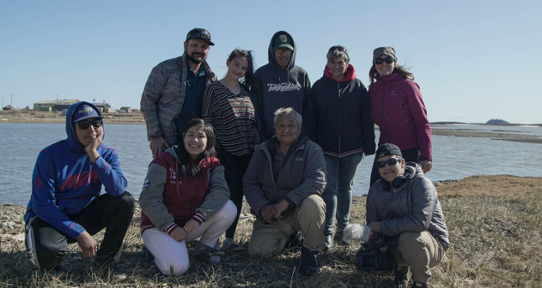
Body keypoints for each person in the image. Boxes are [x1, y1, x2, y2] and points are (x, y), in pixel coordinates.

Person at [24, 101, 135, 282]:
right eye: (84, 125)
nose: (92, 129)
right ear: (71, 128)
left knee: (125, 200)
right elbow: (42, 205)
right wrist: (80, 233)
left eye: (96, 123)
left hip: (82, 214)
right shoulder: (49, 156)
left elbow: (118, 189)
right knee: (46, 254)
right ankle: (53, 266)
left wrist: (94, 155)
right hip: (49, 219)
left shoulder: (108, 154)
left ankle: (105, 262)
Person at [139, 118, 236, 276]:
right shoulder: (163, 160)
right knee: (176, 269)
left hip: (189, 225)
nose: (195, 140)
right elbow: (148, 199)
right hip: (160, 226)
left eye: (201, 136)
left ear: (209, 140)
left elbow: (221, 192)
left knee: (229, 208)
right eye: (191, 135)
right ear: (183, 136)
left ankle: (204, 248)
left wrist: (199, 216)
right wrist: (170, 227)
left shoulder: (213, 163)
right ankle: (155, 251)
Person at [305, 45, 375, 249]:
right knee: (330, 189)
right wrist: (312, 144)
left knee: (346, 188)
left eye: (340, 62)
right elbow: (311, 118)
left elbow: (366, 118)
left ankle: (343, 230)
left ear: (347, 63)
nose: (337, 66)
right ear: (327, 63)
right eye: (333, 62)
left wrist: (369, 145)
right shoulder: (318, 87)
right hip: (325, 149)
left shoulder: (358, 86)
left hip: (353, 149)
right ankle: (327, 231)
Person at [243, 107, 327, 276]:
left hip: (299, 211)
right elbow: (249, 182)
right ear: (274, 129)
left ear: (300, 127)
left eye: (291, 125)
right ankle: (290, 239)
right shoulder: (261, 150)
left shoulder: (312, 149)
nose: (286, 129)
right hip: (274, 215)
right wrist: (262, 206)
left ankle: (311, 251)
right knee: (258, 252)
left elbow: (317, 181)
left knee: (314, 202)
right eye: (281, 125)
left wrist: (287, 201)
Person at [366, 143, 449, 288]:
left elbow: (419, 223)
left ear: (402, 162)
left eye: (391, 162)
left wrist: (382, 226)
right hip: (394, 242)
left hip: (429, 244)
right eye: (381, 164)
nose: (387, 167)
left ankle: (420, 282)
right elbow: (373, 224)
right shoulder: (375, 189)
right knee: (365, 260)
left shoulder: (422, 184)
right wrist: (379, 241)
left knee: (409, 239)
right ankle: (400, 270)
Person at [202, 49, 260, 251]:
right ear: (228, 62)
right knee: (225, 194)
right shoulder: (214, 89)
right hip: (223, 151)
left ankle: (229, 239)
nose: (239, 70)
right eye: (236, 65)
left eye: (244, 68)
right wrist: (212, 150)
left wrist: (255, 142)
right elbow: (207, 120)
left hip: (246, 151)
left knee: (240, 195)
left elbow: (252, 123)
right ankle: (212, 240)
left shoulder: (246, 92)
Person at [141, 28, 218, 158]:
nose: (199, 50)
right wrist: (155, 136)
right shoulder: (164, 69)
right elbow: (147, 102)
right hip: (167, 143)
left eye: (203, 47)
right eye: (194, 45)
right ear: (185, 45)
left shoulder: (211, 78)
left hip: (198, 145)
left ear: (208, 50)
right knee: (161, 177)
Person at [368, 46, 433, 186]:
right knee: (376, 189)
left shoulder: (408, 86)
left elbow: (423, 122)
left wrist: (426, 155)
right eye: (379, 61)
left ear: (395, 63)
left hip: (408, 150)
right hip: (385, 149)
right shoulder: (373, 90)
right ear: (374, 64)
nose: (384, 64)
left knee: (406, 194)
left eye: (388, 60)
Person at [252, 31, 311, 141]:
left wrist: (305, 135)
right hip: (269, 140)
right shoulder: (261, 75)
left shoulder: (301, 75)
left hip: (297, 140)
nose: (283, 54)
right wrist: (260, 137)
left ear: (292, 51)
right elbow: (256, 110)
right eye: (279, 49)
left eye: (287, 50)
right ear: (272, 51)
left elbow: (308, 109)